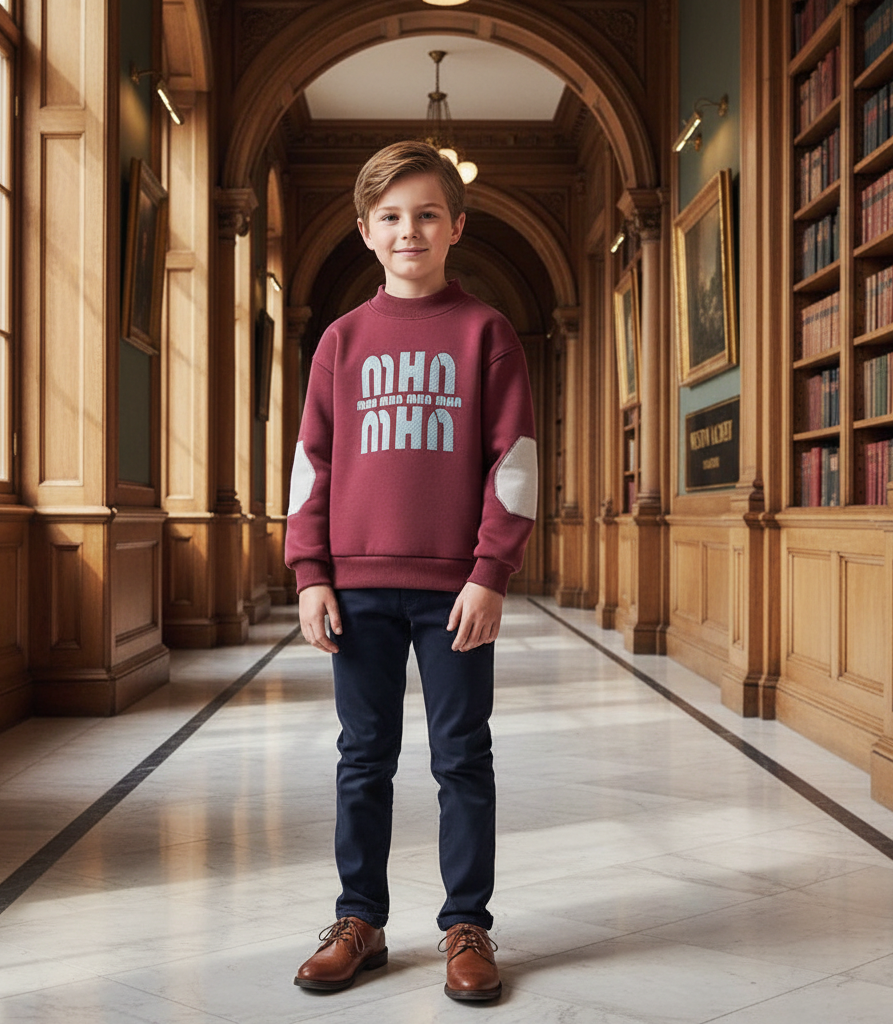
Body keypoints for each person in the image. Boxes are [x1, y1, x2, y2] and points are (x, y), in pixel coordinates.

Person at [284, 140, 537, 1003]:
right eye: (391, 216)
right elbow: (311, 462)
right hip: (356, 585)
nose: (410, 230)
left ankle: (467, 924)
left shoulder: (486, 334)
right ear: (365, 231)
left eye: (427, 214)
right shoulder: (341, 341)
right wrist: (309, 570)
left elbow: (516, 465)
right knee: (364, 756)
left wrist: (491, 572)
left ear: (456, 226)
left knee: (462, 756)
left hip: (454, 590)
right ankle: (361, 918)